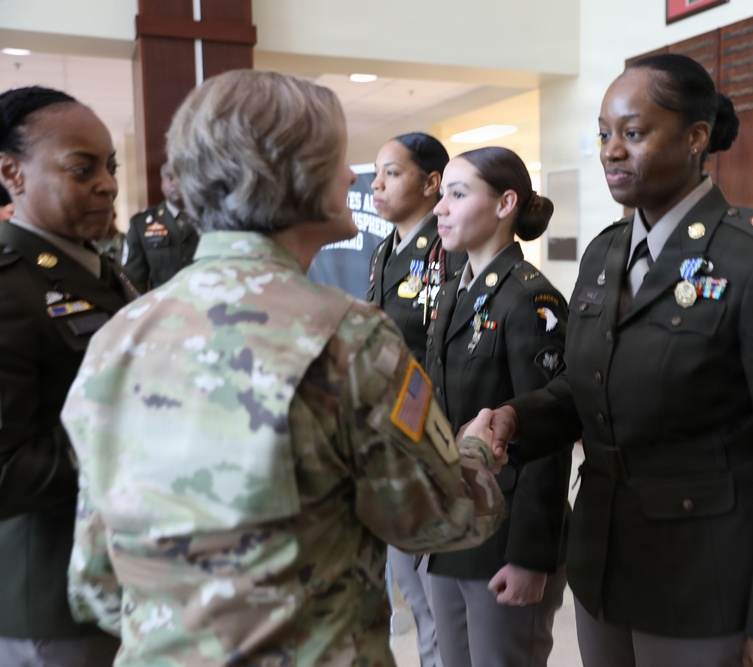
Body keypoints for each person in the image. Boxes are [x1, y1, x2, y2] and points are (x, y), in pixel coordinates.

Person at [59, 69, 508, 667]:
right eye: (337, 161)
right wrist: (475, 451)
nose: (353, 178)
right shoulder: (347, 338)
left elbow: (95, 583)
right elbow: (445, 516)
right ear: (296, 179)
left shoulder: (118, 338)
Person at [488, 53, 753, 667]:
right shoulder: (604, 253)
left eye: (634, 133)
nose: (612, 151)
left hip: (705, 579)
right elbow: (587, 386)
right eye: (604, 135)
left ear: (696, 138)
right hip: (604, 566)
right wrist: (517, 418)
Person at [425, 146, 571, 667]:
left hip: (504, 538)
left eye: (457, 194)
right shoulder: (452, 293)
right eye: (441, 195)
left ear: (505, 203)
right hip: (451, 527)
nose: (440, 208)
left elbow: (551, 428)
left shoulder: (531, 299)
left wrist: (531, 556)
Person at [0, 85, 130, 666]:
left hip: (118, 580)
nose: (106, 184)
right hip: (52, 599)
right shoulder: (10, 287)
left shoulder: (100, 271)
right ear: (12, 173)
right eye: (82, 169)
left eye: (110, 167)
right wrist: (135, 435)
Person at [367, 131, 464, 667]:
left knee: (439, 608)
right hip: (391, 443)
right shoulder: (385, 251)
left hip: (431, 443)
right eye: (376, 174)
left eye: (392, 173)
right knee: (416, 595)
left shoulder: (449, 251)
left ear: (431, 184)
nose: (377, 186)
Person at [122, 161, 199, 292]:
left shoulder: (211, 219)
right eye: (170, 177)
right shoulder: (141, 224)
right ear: (162, 184)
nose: (175, 183)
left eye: (181, 177)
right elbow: (133, 280)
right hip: (163, 301)